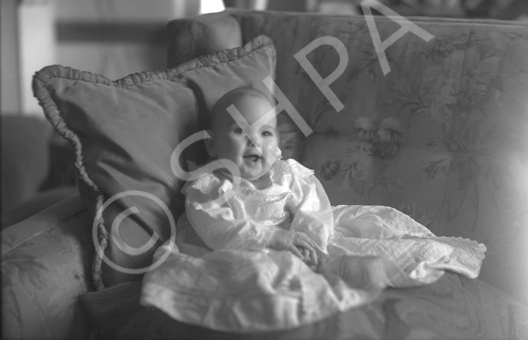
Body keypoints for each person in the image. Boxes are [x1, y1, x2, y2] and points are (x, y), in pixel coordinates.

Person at [141, 86, 486, 331]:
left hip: (301, 238)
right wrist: (276, 242)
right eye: (239, 131)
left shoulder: (287, 173)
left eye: (266, 133)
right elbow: (220, 232)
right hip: (247, 247)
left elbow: (313, 208)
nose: (255, 142)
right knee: (257, 275)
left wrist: (312, 243)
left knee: (377, 230)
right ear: (212, 144)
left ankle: (335, 265)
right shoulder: (210, 187)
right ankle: (315, 285)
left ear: (276, 143)